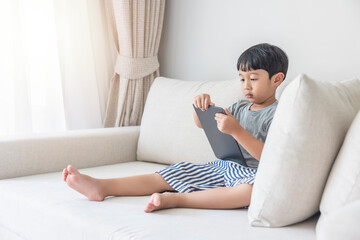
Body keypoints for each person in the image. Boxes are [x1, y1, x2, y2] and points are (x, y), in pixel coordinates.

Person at [62, 43, 288, 213]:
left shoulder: (277, 113)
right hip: (225, 165)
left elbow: (269, 157)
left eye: (254, 79)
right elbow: (202, 124)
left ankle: (177, 199)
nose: (246, 86)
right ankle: (101, 186)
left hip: (252, 174)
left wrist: (237, 131)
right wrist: (200, 109)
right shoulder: (239, 106)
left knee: (249, 193)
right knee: (172, 172)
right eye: (241, 79)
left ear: (277, 80)